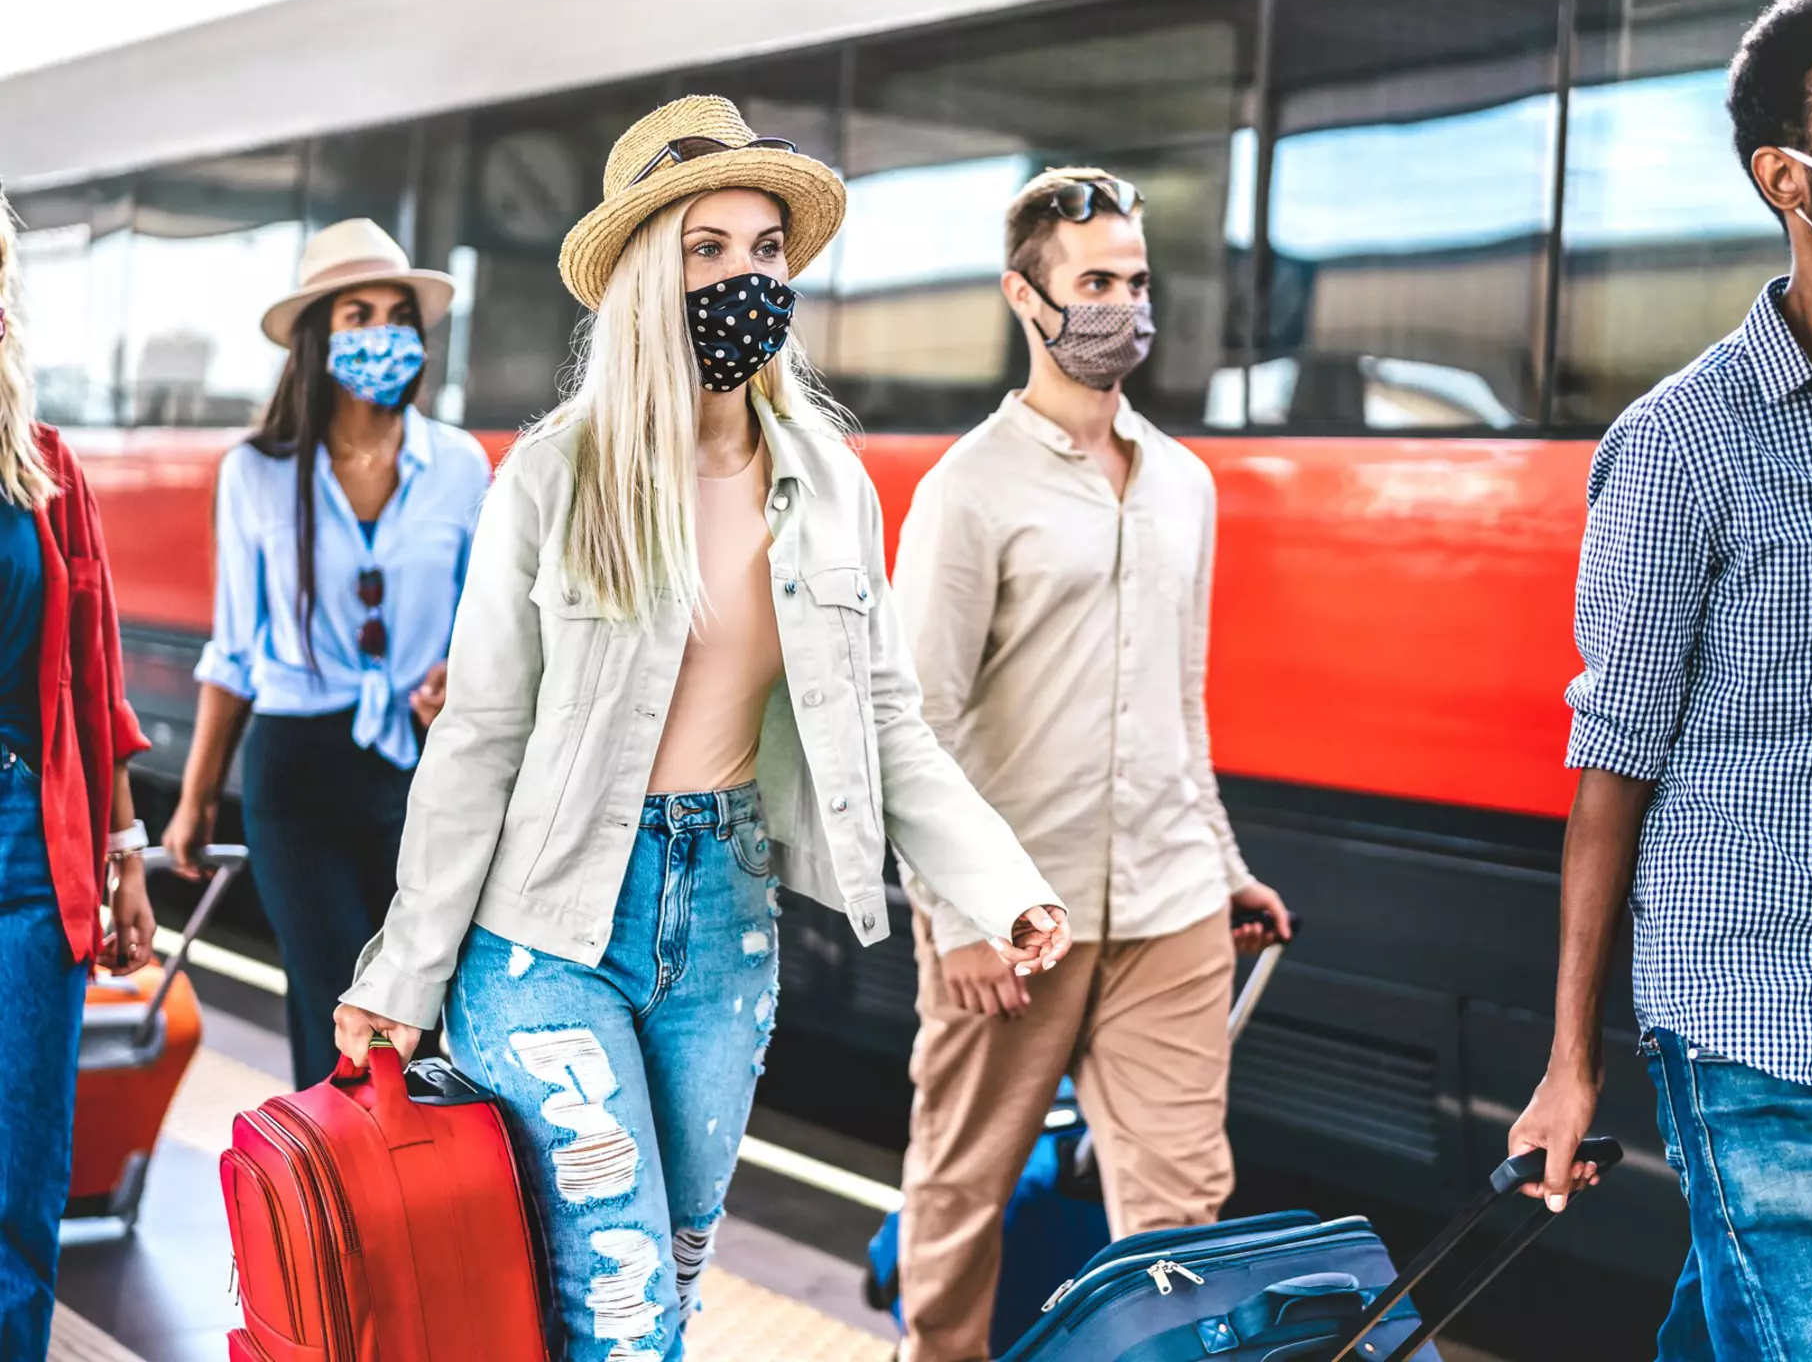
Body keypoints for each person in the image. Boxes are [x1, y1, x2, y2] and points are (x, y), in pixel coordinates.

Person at [330, 95, 1071, 1362]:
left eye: (765, 249)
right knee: (619, 1305)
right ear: (638, 281)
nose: (744, 276)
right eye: (705, 250)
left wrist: (1004, 889)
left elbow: (887, 720)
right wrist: (402, 975)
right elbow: (481, 738)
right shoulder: (558, 474)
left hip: (726, 919)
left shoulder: (829, 480)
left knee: (667, 1280)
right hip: (549, 931)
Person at [1509, 0, 1812, 1361]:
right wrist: (1572, 1064)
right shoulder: (1682, 443)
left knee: (1732, 1317)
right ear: (1788, 178)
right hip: (1741, 998)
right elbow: (1610, 765)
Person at [889, 167, 1291, 1362]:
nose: (1125, 306)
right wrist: (955, 915)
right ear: (1027, 297)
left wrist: (1222, 865)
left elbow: (1178, 703)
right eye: (1096, 284)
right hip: (1016, 912)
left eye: (1137, 282)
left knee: (1182, 1209)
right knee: (961, 1195)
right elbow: (912, 720)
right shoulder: (970, 489)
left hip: (1170, 904)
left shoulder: (1184, 481)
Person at [162, 218, 489, 1089]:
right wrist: (196, 801)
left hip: (422, 770)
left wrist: (462, 675)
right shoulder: (257, 474)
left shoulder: (460, 465)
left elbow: (486, 626)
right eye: (357, 314)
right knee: (340, 1014)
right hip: (295, 776)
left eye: (396, 315)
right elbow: (234, 652)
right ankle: (339, 1219)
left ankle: (408, 1208)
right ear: (319, 337)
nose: (381, 333)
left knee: (423, 1016)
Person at [0, 196, 155, 1360]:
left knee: (19, 1180)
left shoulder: (46, 470)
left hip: (23, 854)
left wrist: (124, 851)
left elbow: (98, 687)